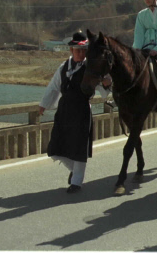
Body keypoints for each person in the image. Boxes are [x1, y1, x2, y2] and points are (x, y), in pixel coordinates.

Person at [39, 32, 111, 193]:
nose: (81, 53)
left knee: (79, 148)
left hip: (82, 110)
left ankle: (77, 182)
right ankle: (73, 170)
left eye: (84, 50)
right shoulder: (64, 67)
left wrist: (107, 83)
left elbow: (104, 89)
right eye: (78, 50)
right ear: (71, 50)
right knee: (55, 148)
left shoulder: (91, 68)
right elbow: (53, 87)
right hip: (64, 110)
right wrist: (44, 104)